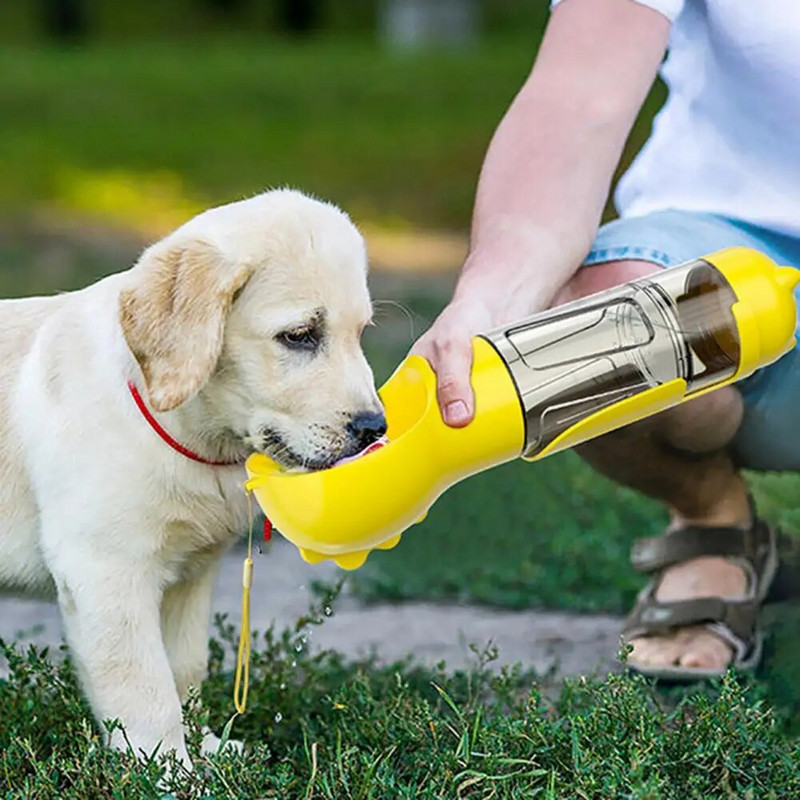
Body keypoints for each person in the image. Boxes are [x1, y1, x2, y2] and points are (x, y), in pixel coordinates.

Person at [412, 0, 800, 679]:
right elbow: (575, 101)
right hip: (728, 258)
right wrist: (492, 297)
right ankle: (712, 522)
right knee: (591, 331)